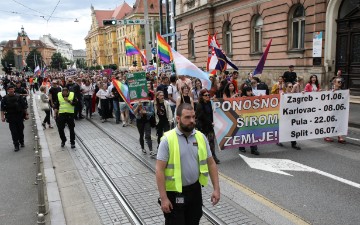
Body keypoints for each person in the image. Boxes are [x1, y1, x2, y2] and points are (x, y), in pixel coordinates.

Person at [155, 103, 220, 225]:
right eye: (187, 117)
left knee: (194, 221)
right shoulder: (167, 140)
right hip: (174, 194)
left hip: (195, 191)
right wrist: (164, 198)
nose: (192, 121)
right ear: (178, 119)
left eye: (193, 117)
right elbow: (159, 170)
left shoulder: (201, 137)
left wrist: (216, 189)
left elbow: (211, 164)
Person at [1, 85, 29, 151]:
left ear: (14, 89)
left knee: (20, 130)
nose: (11, 90)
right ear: (7, 90)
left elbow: (24, 107)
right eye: (9, 89)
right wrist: (2, 117)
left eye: (12, 89)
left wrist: (26, 115)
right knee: (14, 132)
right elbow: (2, 109)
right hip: (11, 117)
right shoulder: (4, 98)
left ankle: (21, 141)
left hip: (19, 116)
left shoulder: (19, 97)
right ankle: (16, 145)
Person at [196, 89, 220, 164]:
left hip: (209, 125)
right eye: (205, 95)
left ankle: (213, 157)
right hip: (202, 126)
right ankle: (201, 158)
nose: (207, 96)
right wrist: (210, 122)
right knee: (202, 143)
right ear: (202, 96)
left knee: (211, 142)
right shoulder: (199, 105)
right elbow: (202, 116)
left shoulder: (210, 103)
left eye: (208, 95)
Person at [324, 77, 346, 144]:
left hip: (338, 110)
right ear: (334, 83)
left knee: (339, 121)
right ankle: (327, 135)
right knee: (330, 122)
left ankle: (340, 136)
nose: (340, 83)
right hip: (331, 109)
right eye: (338, 82)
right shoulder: (331, 90)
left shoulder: (342, 90)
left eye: (341, 82)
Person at [238, 86, 260, 155]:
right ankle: (241, 146)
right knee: (244, 133)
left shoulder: (254, 97)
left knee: (253, 134)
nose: (250, 92)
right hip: (245, 118)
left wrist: (259, 99)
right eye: (248, 91)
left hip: (253, 118)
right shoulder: (242, 98)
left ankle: (254, 149)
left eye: (251, 90)